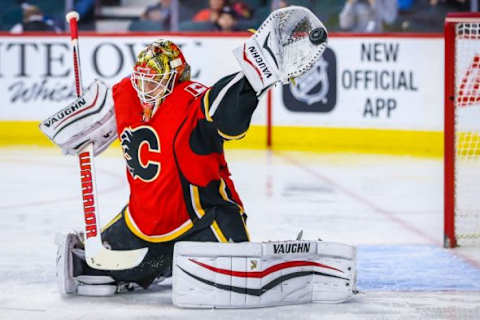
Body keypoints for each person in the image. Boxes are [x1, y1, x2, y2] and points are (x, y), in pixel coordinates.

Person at [42, 7, 350, 303]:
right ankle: (161, 263)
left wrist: (252, 80)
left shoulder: (190, 101)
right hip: (143, 224)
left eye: (155, 79)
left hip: (204, 219)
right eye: (143, 77)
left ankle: (284, 265)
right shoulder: (127, 93)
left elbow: (222, 110)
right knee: (90, 266)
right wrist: (75, 124)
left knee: (241, 275)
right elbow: (94, 121)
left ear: (176, 79)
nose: (146, 85)